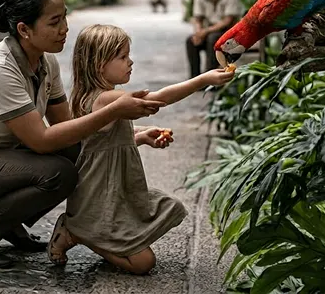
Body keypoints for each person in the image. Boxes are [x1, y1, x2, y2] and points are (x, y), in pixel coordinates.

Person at [0, 0, 166, 269]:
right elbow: (42, 140)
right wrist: (114, 110)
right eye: (54, 22)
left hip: (0, 159)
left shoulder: (45, 62)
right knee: (59, 173)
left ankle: (7, 224)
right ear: (24, 30)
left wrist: (136, 135)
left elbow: (67, 125)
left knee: (73, 153)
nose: (65, 28)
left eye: (64, 17)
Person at [46, 25, 234, 274]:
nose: (130, 62)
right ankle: (75, 233)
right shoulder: (106, 99)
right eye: (122, 57)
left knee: (152, 228)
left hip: (112, 186)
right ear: (99, 64)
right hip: (101, 192)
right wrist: (202, 79)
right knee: (144, 263)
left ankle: (85, 232)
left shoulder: (97, 96)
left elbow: (104, 146)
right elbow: (159, 99)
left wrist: (142, 137)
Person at [186, 0, 242, 78]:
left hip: (229, 34)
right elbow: (198, 19)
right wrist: (198, 33)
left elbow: (228, 20)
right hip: (209, 31)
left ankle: (210, 77)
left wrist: (205, 32)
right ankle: (194, 78)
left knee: (213, 39)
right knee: (191, 41)